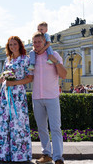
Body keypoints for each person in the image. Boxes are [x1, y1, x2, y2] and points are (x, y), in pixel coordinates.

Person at [0, 36, 34, 162]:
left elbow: (30, 78)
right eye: (10, 44)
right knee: (4, 123)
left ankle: (19, 155)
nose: (12, 46)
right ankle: (3, 153)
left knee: (17, 122)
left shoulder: (26, 59)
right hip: (5, 94)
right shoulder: (7, 60)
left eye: (15, 44)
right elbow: (3, 77)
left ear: (20, 45)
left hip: (18, 95)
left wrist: (14, 83)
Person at [31, 32, 67, 164]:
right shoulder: (32, 58)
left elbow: (63, 74)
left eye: (39, 42)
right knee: (41, 128)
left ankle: (58, 157)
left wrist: (56, 61)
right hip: (37, 98)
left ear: (45, 42)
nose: (36, 45)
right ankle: (46, 154)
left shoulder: (53, 55)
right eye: (34, 42)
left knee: (55, 127)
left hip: (52, 97)